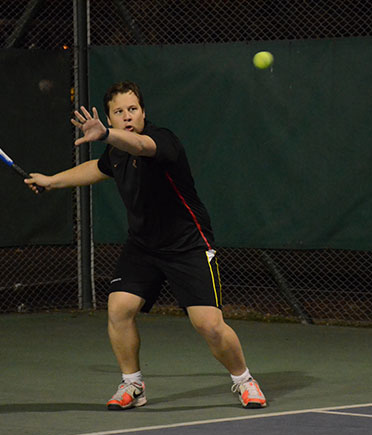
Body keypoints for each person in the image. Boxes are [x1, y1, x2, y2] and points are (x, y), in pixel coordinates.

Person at [25, 81, 267, 410]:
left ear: (143, 112)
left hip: (188, 244)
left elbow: (139, 145)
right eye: (119, 112)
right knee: (119, 309)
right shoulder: (115, 153)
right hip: (143, 245)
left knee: (208, 324)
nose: (127, 116)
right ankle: (133, 385)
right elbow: (96, 169)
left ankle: (244, 380)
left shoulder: (162, 140)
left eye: (133, 109)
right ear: (109, 117)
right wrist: (52, 180)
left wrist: (106, 135)